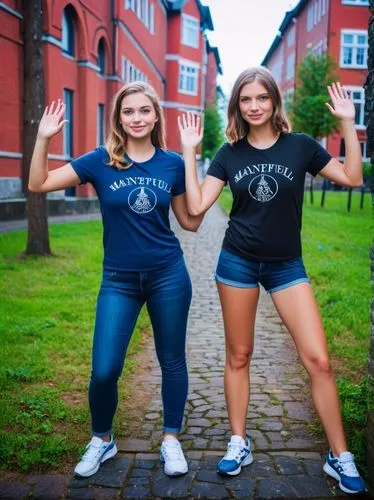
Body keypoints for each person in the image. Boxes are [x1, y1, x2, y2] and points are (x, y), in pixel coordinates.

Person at [178, 67, 367, 495]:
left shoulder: (300, 147)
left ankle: (340, 455)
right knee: (239, 355)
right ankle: (239, 441)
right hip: (238, 262)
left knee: (318, 358)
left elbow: (353, 178)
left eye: (262, 97)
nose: (255, 106)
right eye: (246, 100)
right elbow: (196, 208)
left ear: (274, 101)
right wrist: (190, 153)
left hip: (287, 266)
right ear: (237, 106)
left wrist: (346, 123)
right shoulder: (230, 154)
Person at [29, 81, 204, 478]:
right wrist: (43, 138)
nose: (137, 118)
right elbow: (38, 184)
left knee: (171, 359)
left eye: (144, 110)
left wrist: (191, 154)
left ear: (155, 116)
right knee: (105, 369)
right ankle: (102, 439)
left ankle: (171, 440)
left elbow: (191, 221)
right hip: (119, 280)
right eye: (129, 112)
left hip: (168, 275)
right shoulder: (98, 161)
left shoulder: (172, 163)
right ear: (118, 118)